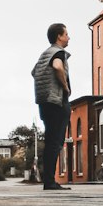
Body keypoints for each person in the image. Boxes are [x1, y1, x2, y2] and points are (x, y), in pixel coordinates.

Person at [31, 22, 71, 191]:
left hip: (44, 101)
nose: (69, 37)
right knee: (56, 141)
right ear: (59, 37)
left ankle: (48, 179)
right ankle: (50, 181)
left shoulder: (44, 54)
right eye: (66, 34)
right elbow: (57, 67)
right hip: (56, 101)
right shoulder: (58, 53)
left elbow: (34, 72)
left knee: (50, 141)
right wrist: (65, 87)